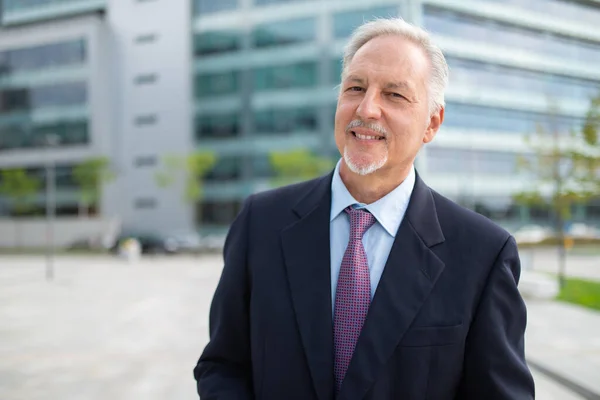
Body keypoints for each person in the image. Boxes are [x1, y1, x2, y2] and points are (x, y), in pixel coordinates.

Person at [194, 18, 535, 400]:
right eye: (355, 87)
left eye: (394, 95)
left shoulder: (483, 253)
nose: (367, 108)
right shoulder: (261, 223)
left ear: (432, 123)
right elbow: (223, 365)